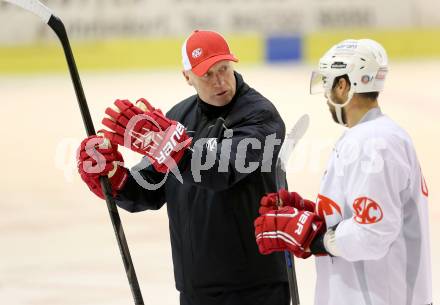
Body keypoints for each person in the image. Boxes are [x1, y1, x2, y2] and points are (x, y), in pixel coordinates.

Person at [77, 30, 289, 305]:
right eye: (207, 74)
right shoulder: (178, 117)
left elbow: (221, 171)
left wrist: (173, 149)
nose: (219, 81)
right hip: (196, 286)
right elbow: (151, 187)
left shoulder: (259, 115)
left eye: (223, 69)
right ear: (187, 76)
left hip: (255, 285)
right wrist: (116, 180)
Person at [254, 39, 432, 305]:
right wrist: (313, 215)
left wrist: (315, 238)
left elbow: (373, 233)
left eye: (329, 82)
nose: (326, 94)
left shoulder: (373, 143)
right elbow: (363, 211)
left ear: (344, 85)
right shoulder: (371, 136)